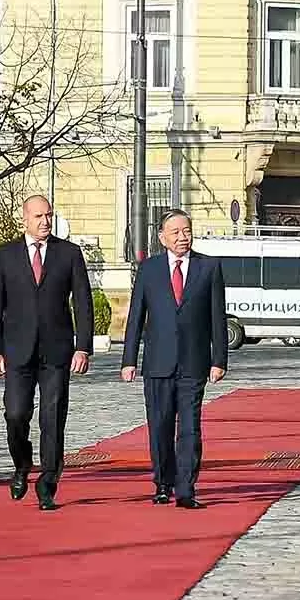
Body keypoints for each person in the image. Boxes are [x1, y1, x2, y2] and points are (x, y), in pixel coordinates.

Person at [0, 195, 93, 511]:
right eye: (38, 216)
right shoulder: (5, 255)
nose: (44, 221)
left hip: (57, 351)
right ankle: (21, 463)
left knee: (53, 417)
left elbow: (83, 302)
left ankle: (48, 482)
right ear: (25, 219)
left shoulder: (69, 254)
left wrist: (83, 346)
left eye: (48, 215)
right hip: (17, 351)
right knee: (15, 413)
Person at [121, 210, 226, 508]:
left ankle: (186, 489)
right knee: (160, 425)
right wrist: (129, 359)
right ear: (162, 237)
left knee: (190, 427)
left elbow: (217, 318)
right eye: (176, 232)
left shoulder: (209, 267)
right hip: (158, 362)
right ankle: (163, 483)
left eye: (187, 231)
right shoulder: (149, 269)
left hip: (194, 362)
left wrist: (219, 359)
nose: (183, 237)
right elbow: (135, 317)